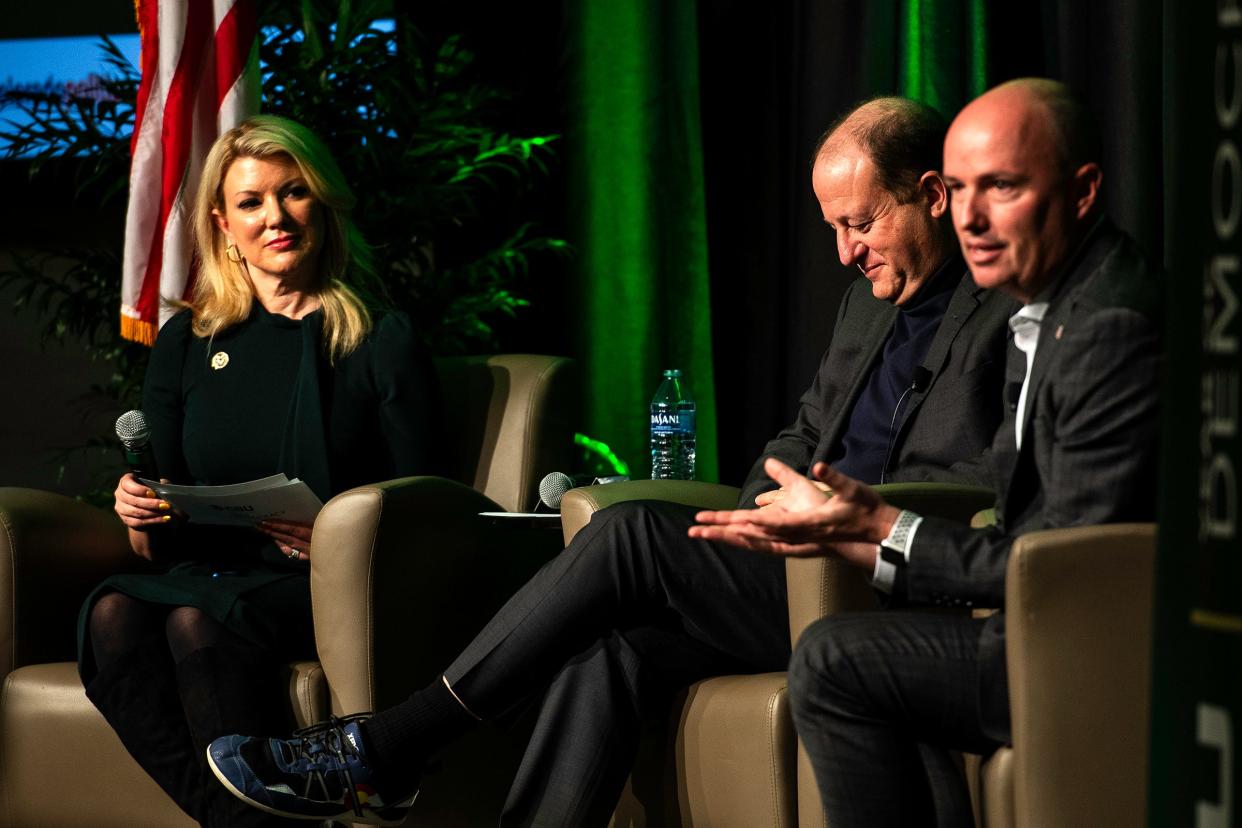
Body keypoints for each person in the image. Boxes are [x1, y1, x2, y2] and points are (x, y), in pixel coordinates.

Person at [204, 97, 1015, 827]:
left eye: (861, 224)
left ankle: (394, 743)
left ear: (933, 195)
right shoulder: (865, 308)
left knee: (628, 534)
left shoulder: (1004, 306)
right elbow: (800, 433)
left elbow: (988, 491)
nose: (844, 252)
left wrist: (840, 520)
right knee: (616, 643)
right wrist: (754, 513)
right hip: (789, 561)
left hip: (878, 580)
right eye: (833, 228)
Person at [689, 78, 1163, 826]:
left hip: (1080, 652)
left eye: (1001, 188)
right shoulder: (1048, 301)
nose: (970, 217)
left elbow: (1063, 568)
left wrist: (880, 529)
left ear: (1082, 192)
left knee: (835, 660)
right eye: (964, 188)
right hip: (1030, 621)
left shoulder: (1108, 327)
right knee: (848, 654)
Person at [82, 115, 439, 828]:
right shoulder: (187, 339)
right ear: (223, 224)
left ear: (324, 205)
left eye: (294, 193)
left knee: (192, 620)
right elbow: (165, 517)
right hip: (209, 568)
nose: (274, 217)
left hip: (320, 584)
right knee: (112, 614)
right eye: (251, 202)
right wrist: (139, 509)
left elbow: (428, 500)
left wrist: (339, 540)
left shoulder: (377, 338)